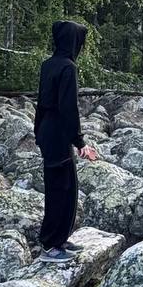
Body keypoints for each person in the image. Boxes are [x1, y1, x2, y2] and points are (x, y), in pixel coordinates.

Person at [34, 19, 98, 260]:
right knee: (61, 189)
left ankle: (59, 239)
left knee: (64, 187)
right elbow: (68, 107)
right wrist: (80, 142)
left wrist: (38, 131)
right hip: (59, 133)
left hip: (49, 131)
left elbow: (41, 103)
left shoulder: (48, 64)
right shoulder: (68, 67)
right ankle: (50, 246)